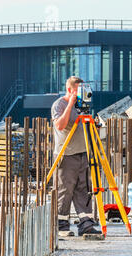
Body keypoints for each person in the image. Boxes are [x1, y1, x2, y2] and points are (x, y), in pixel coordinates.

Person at [51, 76, 101, 237]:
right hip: (66, 153)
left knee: (84, 188)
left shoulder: (81, 106)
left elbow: (83, 126)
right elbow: (60, 125)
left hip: (83, 152)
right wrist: (71, 103)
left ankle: (85, 223)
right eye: (79, 90)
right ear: (70, 89)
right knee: (65, 190)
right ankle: (61, 224)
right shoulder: (60, 104)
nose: (82, 93)